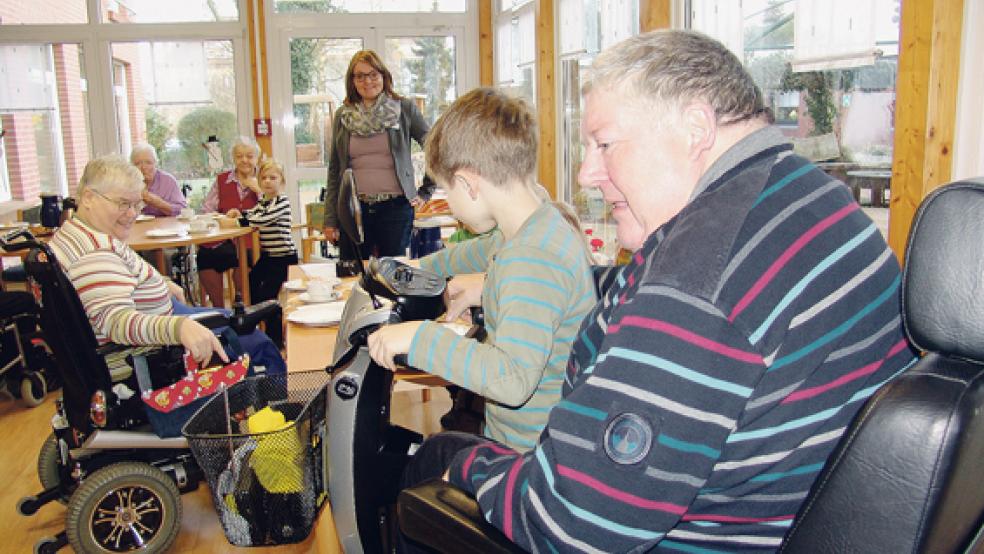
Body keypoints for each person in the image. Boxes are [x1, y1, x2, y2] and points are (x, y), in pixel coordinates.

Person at [398, 30, 918, 552]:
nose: (586, 173)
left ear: (695, 128)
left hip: (689, 535)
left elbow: (572, 523)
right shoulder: (805, 194)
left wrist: (470, 463)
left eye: (604, 144)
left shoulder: (699, 282)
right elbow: (675, 305)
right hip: (775, 506)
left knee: (433, 459)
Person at [367, 88, 597, 453]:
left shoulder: (532, 257)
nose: (450, 203)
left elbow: (512, 379)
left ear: (469, 183)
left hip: (527, 459)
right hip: (525, 441)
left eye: (446, 190)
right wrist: (417, 268)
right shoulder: (534, 223)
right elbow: (480, 252)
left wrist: (418, 337)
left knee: (419, 469)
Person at [48, 155, 284, 379]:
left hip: (161, 322)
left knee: (239, 320)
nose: (131, 214)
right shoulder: (94, 254)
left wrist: (161, 282)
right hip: (152, 351)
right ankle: (281, 414)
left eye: (136, 204)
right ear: (88, 197)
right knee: (257, 341)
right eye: (123, 204)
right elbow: (117, 322)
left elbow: (112, 285)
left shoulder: (75, 233)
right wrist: (179, 328)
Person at [322, 49, 434, 268]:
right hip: (354, 210)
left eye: (373, 74)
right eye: (360, 76)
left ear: (384, 76)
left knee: (393, 273)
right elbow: (335, 170)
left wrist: (425, 191)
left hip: (395, 208)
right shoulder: (343, 116)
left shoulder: (404, 109)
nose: (367, 81)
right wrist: (330, 220)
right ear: (352, 81)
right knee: (354, 272)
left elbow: (435, 147)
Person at [225, 158, 298, 349]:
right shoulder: (265, 201)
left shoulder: (281, 202)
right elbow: (253, 213)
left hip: (284, 257)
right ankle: (257, 329)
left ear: (281, 181)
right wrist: (239, 214)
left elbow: (264, 219)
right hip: (269, 256)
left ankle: (275, 339)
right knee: (249, 285)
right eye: (263, 178)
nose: (267, 181)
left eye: (272, 178)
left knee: (268, 297)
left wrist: (239, 221)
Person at [198, 136, 262, 308]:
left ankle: (241, 306)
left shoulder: (265, 178)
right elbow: (206, 210)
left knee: (245, 259)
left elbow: (276, 205)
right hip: (224, 238)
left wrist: (259, 190)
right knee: (205, 256)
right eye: (239, 156)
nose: (244, 160)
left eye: (249, 156)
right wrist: (223, 217)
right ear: (233, 158)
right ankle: (219, 310)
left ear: (257, 158)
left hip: (253, 240)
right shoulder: (222, 180)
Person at [130, 142, 187, 217]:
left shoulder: (168, 181)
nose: (143, 167)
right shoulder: (127, 183)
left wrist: (157, 202)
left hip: (165, 227)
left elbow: (182, 211)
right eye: (138, 163)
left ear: (156, 163)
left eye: (148, 162)